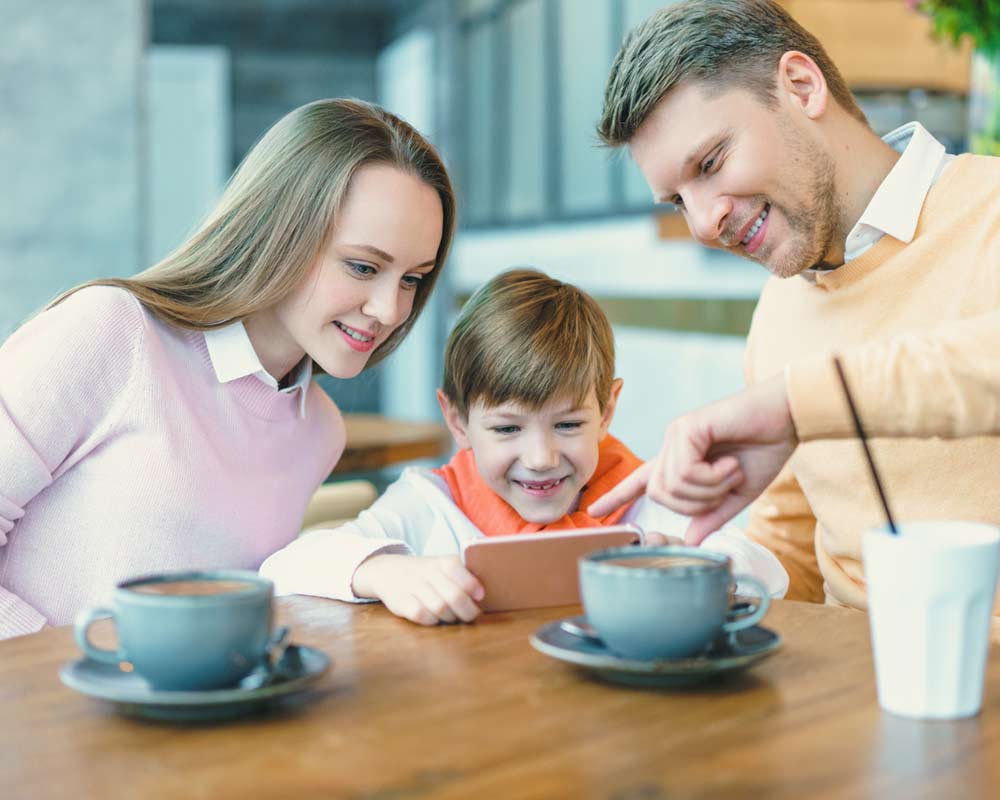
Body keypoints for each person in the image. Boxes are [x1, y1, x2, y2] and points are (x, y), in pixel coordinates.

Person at [590, 0, 1000, 611]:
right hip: (847, 689)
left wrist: (798, 404)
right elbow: (799, 556)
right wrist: (718, 576)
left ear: (802, 87)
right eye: (677, 200)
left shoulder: (988, 209)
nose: (705, 222)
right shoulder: (777, 318)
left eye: (710, 163)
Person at [0, 98, 456, 638]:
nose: (390, 310)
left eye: (412, 279)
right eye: (363, 267)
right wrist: (66, 677)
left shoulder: (318, 428)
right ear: (278, 230)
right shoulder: (110, 332)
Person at [260, 269, 788, 625]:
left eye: (567, 425)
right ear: (458, 422)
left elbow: (771, 575)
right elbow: (283, 569)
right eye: (507, 429)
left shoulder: (645, 499)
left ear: (606, 411)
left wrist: (697, 563)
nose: (540, 458)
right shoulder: (430, 504)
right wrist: (384, 570)